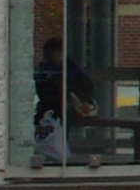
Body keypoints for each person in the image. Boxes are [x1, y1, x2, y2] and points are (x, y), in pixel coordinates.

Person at [32, 36, 95, 166]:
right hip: (49, 104)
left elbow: (86, 87)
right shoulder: (45, 67)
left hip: (69, 104)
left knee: (63, 116)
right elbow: (40, 86)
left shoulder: (71, 67)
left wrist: (84, 101)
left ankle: (60, 152)